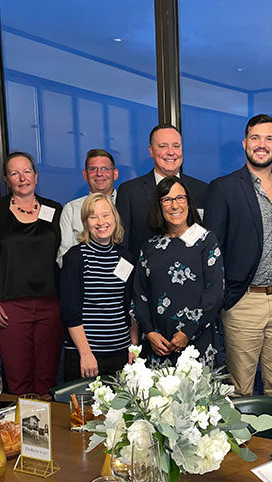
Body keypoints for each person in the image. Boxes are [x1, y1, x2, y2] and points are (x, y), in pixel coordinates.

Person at [203, 114, 272, 397]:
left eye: (269, 139)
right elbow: (212, 253)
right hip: (244, 301)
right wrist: (223, 301)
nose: (262, 144)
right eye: (256, 138)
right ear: (245, 143)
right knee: (240, 391)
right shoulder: (223, 188)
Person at [0, 151, 64, 395]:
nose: (22, 177)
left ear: (36, 176)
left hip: (50, 304)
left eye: (26, 171)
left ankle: (47, 430)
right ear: (7, 179)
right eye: (15, 173)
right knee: (17, 377)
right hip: (9, 307)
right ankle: (22, 430)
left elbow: (63, 255)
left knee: (48, 376)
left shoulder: (55, 209)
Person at [133, 177, 223, 363]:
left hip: (197, 342)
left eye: (180, 198)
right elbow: (139, 294)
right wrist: (149, 332)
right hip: (158, 345)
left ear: (189, 203)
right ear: (159, 206)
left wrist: (188, 332)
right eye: (167, 199)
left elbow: (214, 293)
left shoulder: (206, 240)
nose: (174, 205)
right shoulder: (149, 246)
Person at [60, 193, 139, 380]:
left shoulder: (125, 257)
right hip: (86, 356)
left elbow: (132, 306)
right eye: (93, 217)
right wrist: (86, 354)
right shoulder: (75, 257)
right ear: (85, 222)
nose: (100, 222)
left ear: (115, 217)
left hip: (121, 353)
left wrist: (133, 346)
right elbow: (70, 312)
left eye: (105, 215)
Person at [116, 124, 208, 261]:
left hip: (192, 277)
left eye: (176, 146)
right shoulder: (129, 191)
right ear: (151, 151)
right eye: (163, 146)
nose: (171, 152)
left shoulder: (202, 190)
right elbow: (121, 244)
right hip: (145, 277)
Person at [57, 149, 119, 266]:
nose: (99, 173)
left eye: (105, 168)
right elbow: (63, 257)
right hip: (84, 280)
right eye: (93, 169)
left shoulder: (127, 203)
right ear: (85, 175)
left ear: (115, 174)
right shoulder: (71, 209)